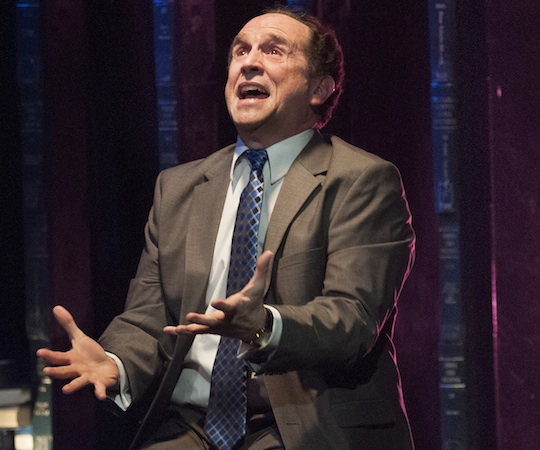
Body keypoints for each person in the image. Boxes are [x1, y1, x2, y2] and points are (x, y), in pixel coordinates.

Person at [37, 6, 416, 450]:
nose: (249, 61)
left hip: (299, 425)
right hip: (190, 426)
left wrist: (264, 325)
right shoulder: (178, 188)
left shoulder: (362, 180)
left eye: (273, 50)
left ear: (320, 88)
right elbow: (148, 319)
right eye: (240, 51)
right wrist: (116, 362)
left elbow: (352, 320)